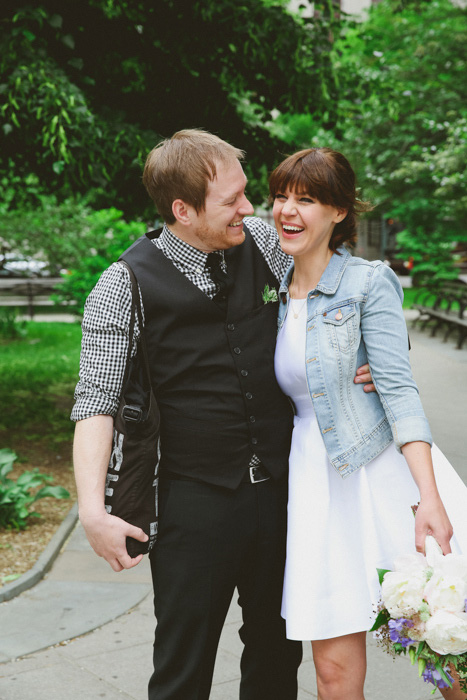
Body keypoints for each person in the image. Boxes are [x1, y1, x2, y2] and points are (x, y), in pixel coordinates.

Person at [71, 130, 376, 700]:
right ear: (182, 211)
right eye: (232, 200)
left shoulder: (261, 242)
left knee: (275, 661)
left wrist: (376, 356)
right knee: (182, 670)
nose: (250, 208)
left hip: (287, 494)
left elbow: (340, 293)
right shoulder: (123, 285)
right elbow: (96, 402)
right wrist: (93, 511)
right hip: (193, 503)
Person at [270, 147, 467, 700]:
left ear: (339, 212)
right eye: (282, 196)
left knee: (450, 654)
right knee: (332, 675)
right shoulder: (269, 288)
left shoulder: (368, 282)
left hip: (382, 472)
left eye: (306, 199)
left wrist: (427, 497)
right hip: (315, 487)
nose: (288, 209)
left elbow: (400, 390)